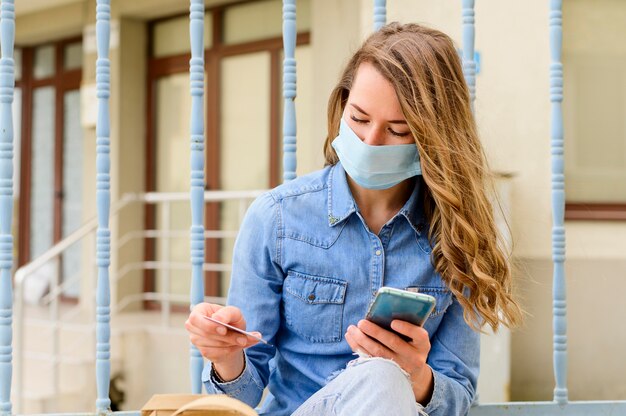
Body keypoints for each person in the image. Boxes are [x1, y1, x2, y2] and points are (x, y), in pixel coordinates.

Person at [185, 22, 522, 416]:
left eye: (397, 130)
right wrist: (225, 357)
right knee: (381, 376)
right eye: (359, 119)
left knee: (384, 378)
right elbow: (238, 400)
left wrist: (416, 377)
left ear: (433, 139)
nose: (370, 142)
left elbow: (458, 396)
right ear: (342, 105)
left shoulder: (457, 237)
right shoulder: (276, 219)